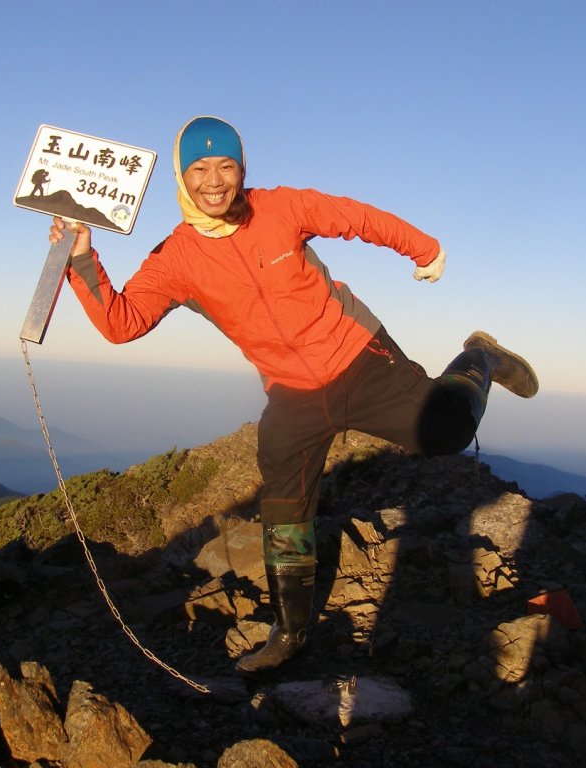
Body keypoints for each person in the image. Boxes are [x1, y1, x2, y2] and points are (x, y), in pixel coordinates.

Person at [49, 115, 538, 674]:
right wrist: (83, 257)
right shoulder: (177, 258)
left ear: (243, 170)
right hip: (291, 392)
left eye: (227, 166)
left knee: (448, 431)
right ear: (183, 179)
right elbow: (121, 322)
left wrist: (422, 248)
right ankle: (290, 633)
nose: (215, 180)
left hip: (359, 358)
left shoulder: (279, 207)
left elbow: (354, 217)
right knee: (283, 503)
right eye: (200, 168)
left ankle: (481, 356)